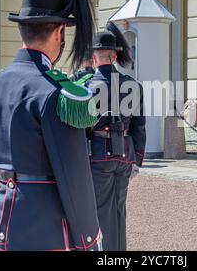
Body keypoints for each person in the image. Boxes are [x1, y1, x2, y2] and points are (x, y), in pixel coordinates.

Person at [0, 0, 102, 251]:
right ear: (58, 32)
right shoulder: (56, 94)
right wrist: (88, 237)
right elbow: (73, 176)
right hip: (45, 230)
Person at [79, 21, 146, 251]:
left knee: (100, 212)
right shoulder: (133, 85)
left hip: (98, 155)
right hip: (125, 154)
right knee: (119, 211)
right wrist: (137, 158)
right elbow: (139, 126)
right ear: (115, 57)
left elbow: (81, 128)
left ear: (95, 58)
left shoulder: (87, 86)